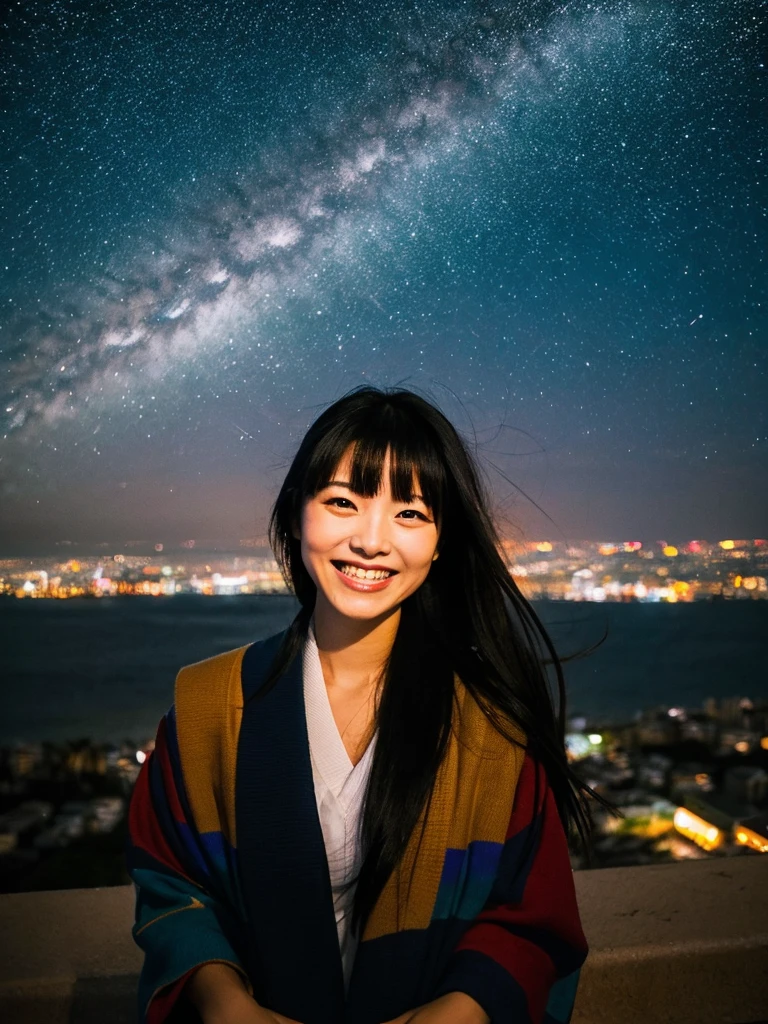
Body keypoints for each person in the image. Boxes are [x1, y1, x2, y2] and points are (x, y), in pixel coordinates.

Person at [127, 386, 593, 1024]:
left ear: (442, 540)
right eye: (342, 502)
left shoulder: (492, 729)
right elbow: (171, 884)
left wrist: (463, 1009)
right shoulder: (208, 705)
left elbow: (531, 916)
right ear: (297, 515)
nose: (372, 542)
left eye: (410, 514)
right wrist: (225, 1001)